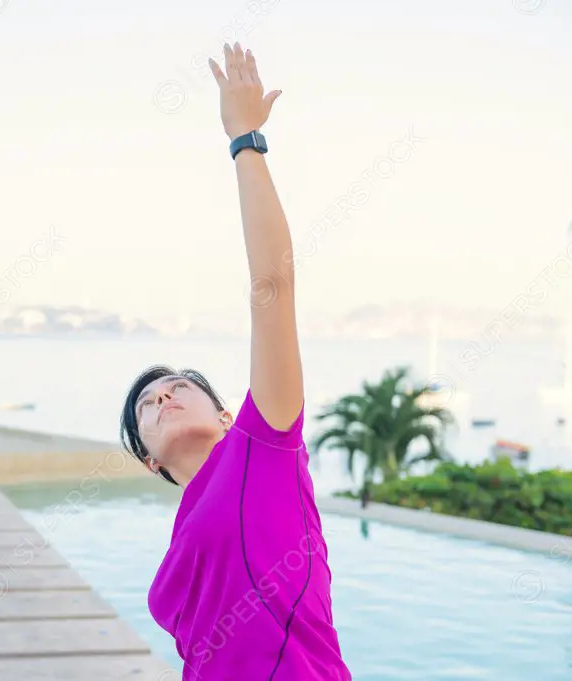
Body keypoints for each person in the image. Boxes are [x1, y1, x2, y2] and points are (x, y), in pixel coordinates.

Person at [119, 43, 352, 680]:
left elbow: (271, 288)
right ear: (150, 460)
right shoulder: (176, 553)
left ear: (227, 416)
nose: (161, 398)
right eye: (147, 405)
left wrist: (244, 141)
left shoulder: (263, 443)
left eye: (174, 388)